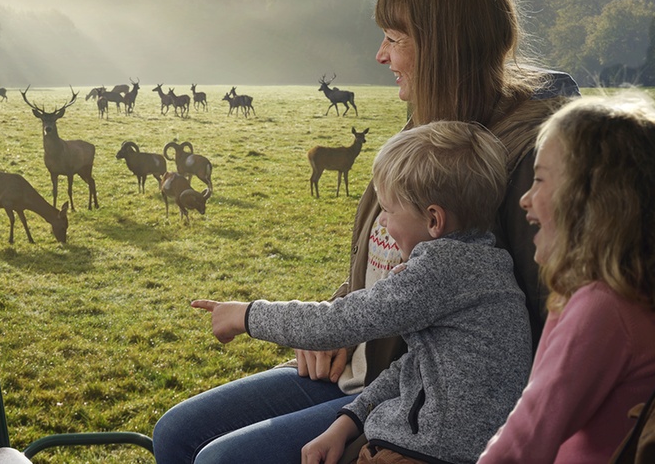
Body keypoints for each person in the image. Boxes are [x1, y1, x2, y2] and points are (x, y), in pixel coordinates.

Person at [152, 0, 578, 463]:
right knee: (176, 431)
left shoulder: (520, 157)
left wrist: (322, 326)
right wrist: (338, 313)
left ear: (443, 49)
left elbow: (534, 323)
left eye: (395, 40)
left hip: (413, 397)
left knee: (223, 459)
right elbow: (382, 262)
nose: (380, 56)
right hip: (354, 357)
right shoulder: (426, 126)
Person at [193, 121, 533, 464]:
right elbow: (414, 368)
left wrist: (246, 315)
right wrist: (347, 423)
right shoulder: (483, 264)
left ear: (433, 220)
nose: (382, 222)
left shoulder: (442, 271)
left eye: (387, 209)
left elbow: (335, 323)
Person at [478, 92, 655, 463]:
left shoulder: (603, 306)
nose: (525, 199)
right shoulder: (641, 295)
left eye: (540, 180)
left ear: (590, 200)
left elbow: (523, 442)